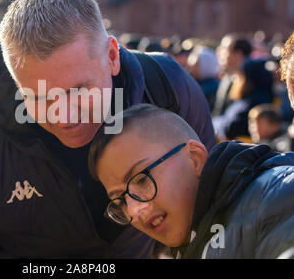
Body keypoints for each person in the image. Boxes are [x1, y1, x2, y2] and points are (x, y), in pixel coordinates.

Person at [0, 0, 215, 258]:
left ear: (111, 56)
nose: (64, 116)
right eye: (38, 98)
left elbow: (212, 208)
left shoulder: (168, 89)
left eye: (78, 90)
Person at [88, 103, 294, 258]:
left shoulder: (279, 195)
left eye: (142, 179)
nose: (134, 210)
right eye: (120, 201)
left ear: (195, 158)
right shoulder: (193, 237)